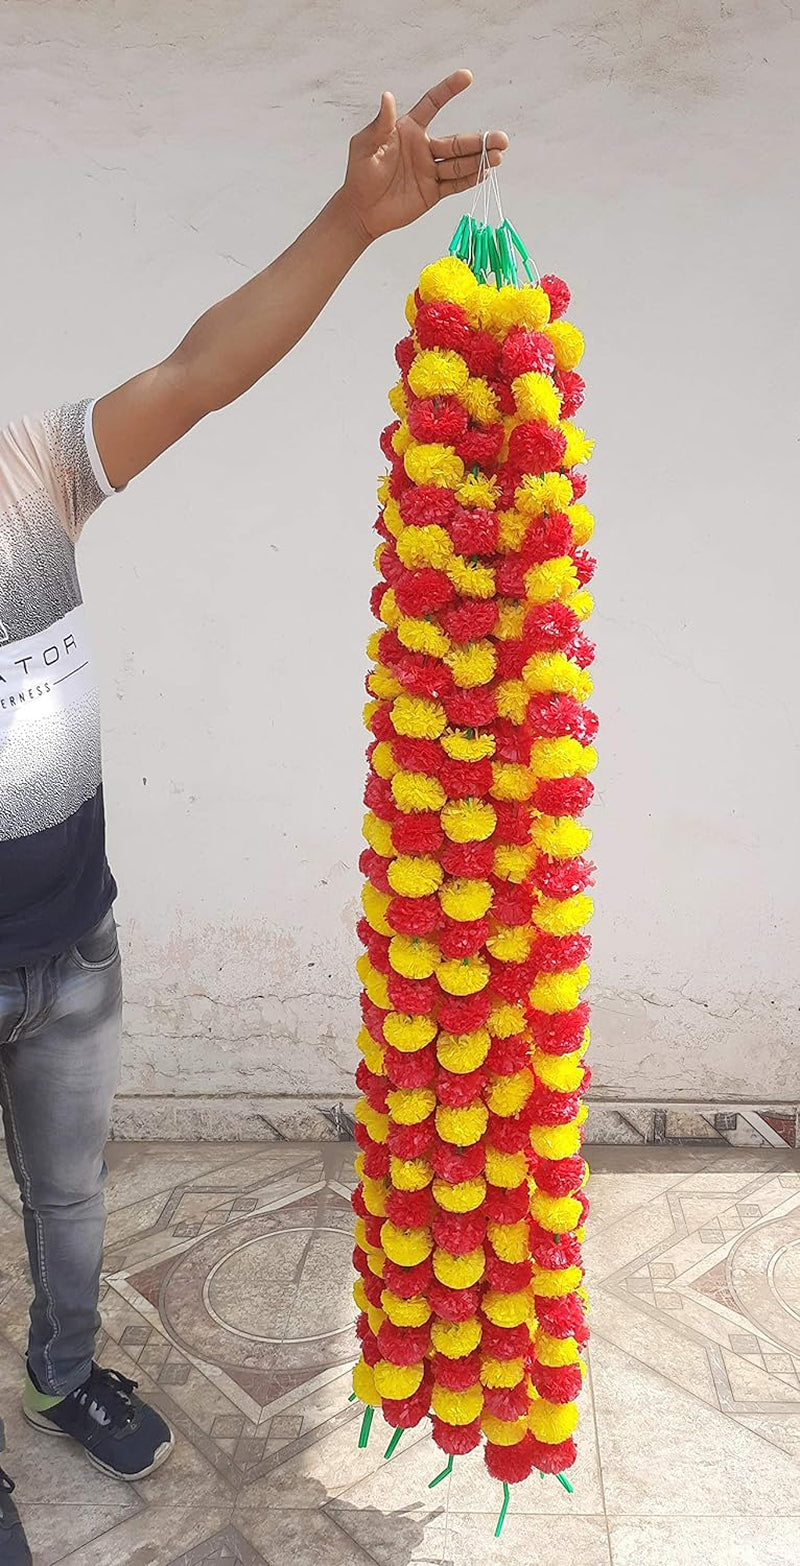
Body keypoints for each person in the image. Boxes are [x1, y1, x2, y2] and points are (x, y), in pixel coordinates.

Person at [0, 69, 507, 1560]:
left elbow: (204, 365)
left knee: (73, 1211)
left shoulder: (30, 474)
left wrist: (352, 223)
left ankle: (61, 1377)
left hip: (70, 949)